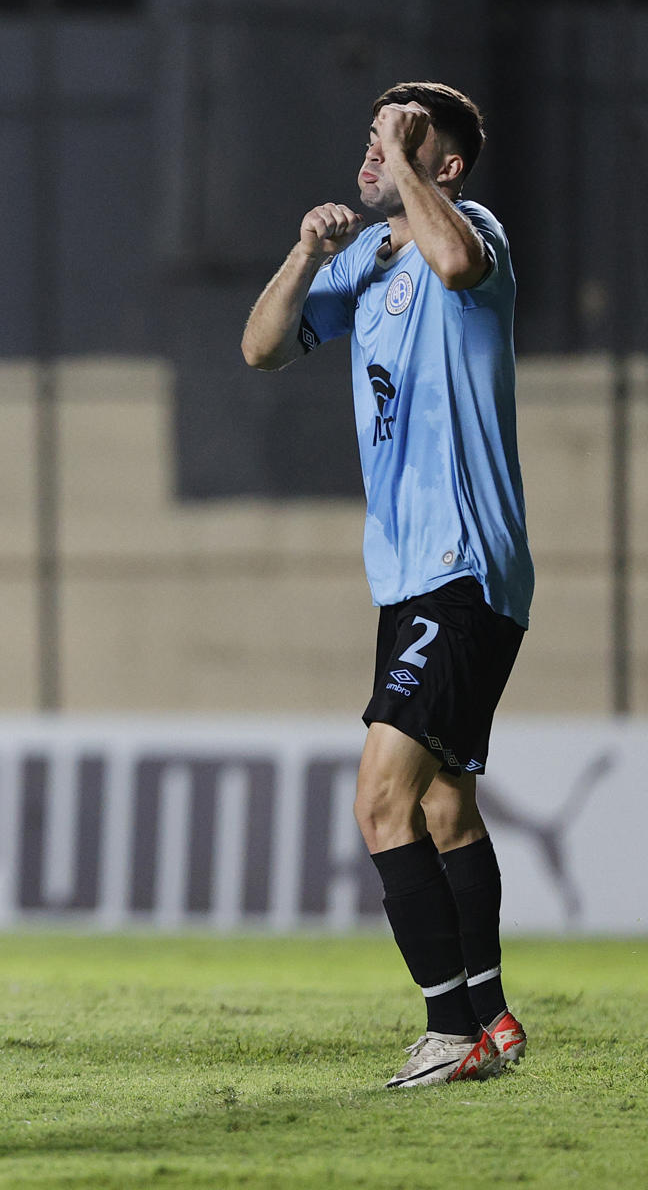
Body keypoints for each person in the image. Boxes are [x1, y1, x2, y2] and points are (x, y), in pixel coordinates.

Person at [240, 81, 529, 1088]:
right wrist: (309, 253)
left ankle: (447, 1031)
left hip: (462, 562)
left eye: (401, 139)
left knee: (380, 802)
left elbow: (451, 257)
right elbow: (262, 347)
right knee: (443, 804)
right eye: (372, 135)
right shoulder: (361, 258)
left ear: (441, 164)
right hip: (412, 576)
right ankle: (487, 1016)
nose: (374, 153)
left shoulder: (470, 230)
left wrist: (408, 170)